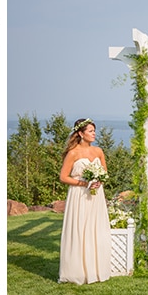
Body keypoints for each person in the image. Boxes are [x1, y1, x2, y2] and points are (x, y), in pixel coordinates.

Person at [58, 118, 112, 285]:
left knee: (96, 229)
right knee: (80, 229)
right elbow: (63, 177)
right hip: (79, 195)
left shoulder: (98, 151)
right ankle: (76, 271)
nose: (94, 133)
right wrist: (84, 183)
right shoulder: (73, 153)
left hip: (96, 195)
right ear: (80, 134)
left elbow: (104, 172)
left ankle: (96, 269)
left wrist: (98, 182)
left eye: (94, 130)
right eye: (90, 131)